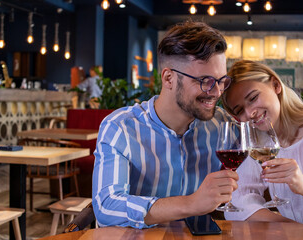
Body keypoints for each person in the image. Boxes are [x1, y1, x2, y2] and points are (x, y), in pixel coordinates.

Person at [92, 21, 238, 229]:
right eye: (206, 81)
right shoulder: (121, 127)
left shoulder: (222, 125)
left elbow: (270, 143)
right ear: (169, 78)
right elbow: (107, 207)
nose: (217, 92)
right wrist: (190, 203)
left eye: (222, 81)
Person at [221, 60, 303, 227]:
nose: (250, 113)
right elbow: (238, 201)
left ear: (275, 85)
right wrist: (291, 227)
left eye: (253, 98)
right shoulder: (260, 143)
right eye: (239, 110)